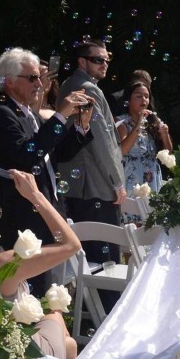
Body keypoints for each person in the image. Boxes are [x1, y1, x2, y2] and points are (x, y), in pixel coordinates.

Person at [0, 47, 93, 296]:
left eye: (38, 77)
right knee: (30, 287)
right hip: (22, 213)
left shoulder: (31, 116)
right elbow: (27, 155)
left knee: (49, 283)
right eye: (31, 77)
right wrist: (61, 113)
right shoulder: (2, 114)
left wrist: (82, 125)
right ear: (9, 81)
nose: (39, 83)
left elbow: (57, 155)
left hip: (46, 206)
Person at [0, 176, 81, 359]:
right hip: (18, 355)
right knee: (56, 315)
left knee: (68, 344)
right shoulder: (3, 264)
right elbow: (71, 245)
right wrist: (36, 196)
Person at [58, 40, 127, 269]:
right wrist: (116, 180)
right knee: (107, 261)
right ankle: (110, 305)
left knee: (90, 258)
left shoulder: (71, 83)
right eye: (98, 59)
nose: (104, 64)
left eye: (106, 60)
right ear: (81, 61)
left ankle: (93, 304)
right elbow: (102, 140)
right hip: (95, 184)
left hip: (81, 184)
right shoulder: (86, 87)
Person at [116, 81, 172, 201]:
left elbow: (167, 154)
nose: (144, 99)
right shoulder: (121, 122)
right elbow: (123, 150)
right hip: (132, 179)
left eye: (146, 96)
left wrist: (165, 134)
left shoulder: (153, 122)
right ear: (128, 100)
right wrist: (139, 122)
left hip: (151, 179)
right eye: (138, 96)